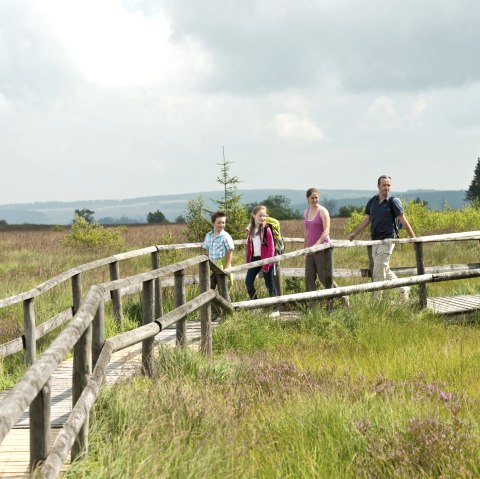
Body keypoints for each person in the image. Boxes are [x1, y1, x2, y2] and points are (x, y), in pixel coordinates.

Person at [347, 175, 416, 300]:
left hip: (388, 239)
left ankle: (376, 302)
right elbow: (367, 219)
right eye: (384, 185)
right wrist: (354, 234)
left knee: (378, 270)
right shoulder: (373, 201)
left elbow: (404, 221)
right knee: (383, 268)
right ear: (378, 186)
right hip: (375, 240)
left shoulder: (393, 201)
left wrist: (413, 239)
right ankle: (403, 288)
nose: (386, 187)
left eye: (388, 185)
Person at [304, 188, 349, 305]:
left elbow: (326, 231)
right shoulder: (306, 212)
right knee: (309, 277)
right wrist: (306, 249)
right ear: (307, 198)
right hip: (310, 249)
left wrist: (316, 246)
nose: (314, 200)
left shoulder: (323, 211)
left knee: (324, 278)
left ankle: (342, 297)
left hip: (322, 248)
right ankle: (312, 305)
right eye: (312, 197)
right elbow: (307, 232)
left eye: (316, 197)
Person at [202, 211, 235, 319]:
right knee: (207, 290)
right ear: (213, 223)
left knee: (222, 291)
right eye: (219, 222)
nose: (221, 225)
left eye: (223, 223)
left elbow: (230, 251)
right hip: (211, 266)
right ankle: (216, 312)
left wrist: (227, 266)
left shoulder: (225, 236)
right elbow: (206, 250)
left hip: (221, 267)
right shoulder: (209, 235)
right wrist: (206, 263)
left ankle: (227, 314)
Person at [245, 205, 277, 301]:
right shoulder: (250, 229)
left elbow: (271, 248)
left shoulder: (266, 229)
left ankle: (275, 307)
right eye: (260, 215)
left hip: (267, 258)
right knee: (248, 281)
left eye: (264, 216)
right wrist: (248, 261)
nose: (262, 218)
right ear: (254, 215)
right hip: (254, 258)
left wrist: (267, 264)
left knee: (269, 283)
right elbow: (249, 246)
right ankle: (255, 303)